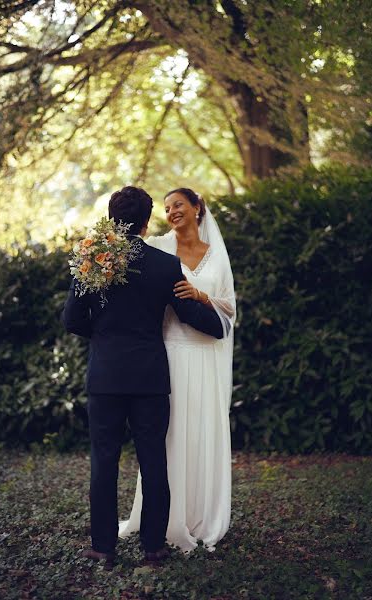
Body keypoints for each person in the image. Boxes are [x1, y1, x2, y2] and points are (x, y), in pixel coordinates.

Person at [62, 186, 224, 569]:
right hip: (150, 378)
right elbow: (189, 316)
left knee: (103, 461)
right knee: (154, 462)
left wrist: (103, 340)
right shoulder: (164, 265)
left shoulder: (90, 259)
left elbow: (71, 320)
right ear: (146, 221)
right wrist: (218, 319)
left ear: (111, 217)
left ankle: (103, 547)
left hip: (105, 378)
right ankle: (154, 547)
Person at [120, 188, 236, 552]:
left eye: (179, 205)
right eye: (167, 208)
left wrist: (201, 296)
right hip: (169, 352)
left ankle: (204, 514)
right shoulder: (157, 246)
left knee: (203, 430)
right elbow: (128, 250)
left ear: (197, 207)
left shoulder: (217, 254)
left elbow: (230, 307)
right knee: (167, 437)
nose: (172, 212)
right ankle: (166, 519)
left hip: (207, 354)